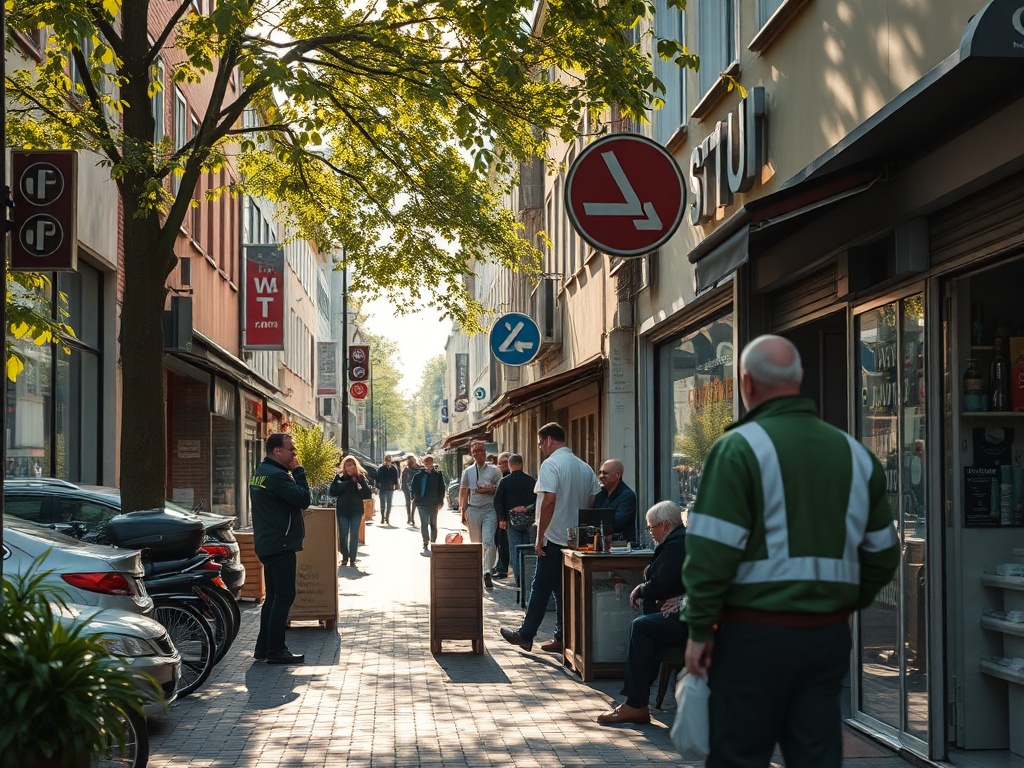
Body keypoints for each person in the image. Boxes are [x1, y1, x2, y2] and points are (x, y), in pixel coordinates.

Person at [683, 334, 899, 768]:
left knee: (739, 756)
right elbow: (883, 553)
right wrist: (842, 601)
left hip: (751, 637)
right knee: (817, 754)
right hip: (827, 636)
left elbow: (711, 553)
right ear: (799, 379)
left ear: (745, 383)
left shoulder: (737, 449)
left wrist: (700, 628)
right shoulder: (856, 455)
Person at [499, 422, 599, 654]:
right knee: (560, 588)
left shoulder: (551, 464)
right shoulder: (584, 467)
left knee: (540, 586)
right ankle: (562, 636)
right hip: (577, 539)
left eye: (540, 443)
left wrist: (540, 535)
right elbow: (593, 499)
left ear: (549, 440)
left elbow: (549, 501)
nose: (540, 448)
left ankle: (526, 634)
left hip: (554, 536)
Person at [597, 501, 688, 725]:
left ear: (665, 525)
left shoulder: (677, 544)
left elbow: (660, 583)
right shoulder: (677, 541)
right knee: (646, 628)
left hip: (696, 619)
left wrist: (642, 589)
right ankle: (636, 701)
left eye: (651, 527)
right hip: (687, 611)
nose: (650, 532)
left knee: (642, 627)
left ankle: (636, 703)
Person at [249, 432, 311, 665]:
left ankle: (263, 647)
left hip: (268, 542)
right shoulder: (277, 476)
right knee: (284, 595)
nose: (294, 454)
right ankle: (276, 649)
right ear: (277, 451)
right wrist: (299, 472)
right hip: (280, 543)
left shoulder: (261, 473)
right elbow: (303, 499)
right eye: (291, 449)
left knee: (274, 596)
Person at [459, 441, 503, 590]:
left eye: (480, 451)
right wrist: (462, 511)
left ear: (485, 452)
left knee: (489, 541)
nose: (478, 453)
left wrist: (489, 490)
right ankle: (478, 571)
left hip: (490, 509)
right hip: (474, 510)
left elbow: (500, 488)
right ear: (472, 454)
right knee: (476, 544)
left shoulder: (494, 470)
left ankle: (487, 572)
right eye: (475, 451)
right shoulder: (468, 472)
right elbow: (464, 490)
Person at [492, 453, 537, 590]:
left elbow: (497, 501)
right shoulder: (532, 481)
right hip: (529, 521)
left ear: (510, 465)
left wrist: (502, 519)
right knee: (529, 552)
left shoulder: (505, 481)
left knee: (515, 551)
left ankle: (519, 582)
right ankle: (530, 580)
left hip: (511, 522)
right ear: (522, 465)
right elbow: (538, 501)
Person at [329, 455, 374, 568]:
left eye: (352, 465)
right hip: (342, 510)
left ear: (355, 465)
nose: (350, 467)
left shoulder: (359, 477)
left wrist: (359, 482)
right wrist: (338, 481)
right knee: (343, 535)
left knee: (354, 534)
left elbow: (367, 494)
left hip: (356, 510)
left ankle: (353, 559)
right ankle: (345, 556)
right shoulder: (340, 478)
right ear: (344, 466)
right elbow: (332, 492)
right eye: (348, 465)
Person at [593, 459, 638, 542]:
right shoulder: (600, 494)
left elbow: (617, 522)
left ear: (617, 476)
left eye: (605, 473)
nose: (601, 476)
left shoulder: (627, 495)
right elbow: (593, 517)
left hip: (622, 549)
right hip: (602, 545)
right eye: (600, 473)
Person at [411, 455, 446, 551]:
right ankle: (425, 541)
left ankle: (433, 542)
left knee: (433, 523)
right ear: (423, 463)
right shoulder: (418, 476)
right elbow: (413, 488)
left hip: (434, 503)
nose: (429, 464)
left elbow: (442, 489)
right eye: (427, 462)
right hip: (421, 503)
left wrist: (441, 501)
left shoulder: (438, 475)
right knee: (424, 522)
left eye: (430, 461)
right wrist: (415, 497)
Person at [491, 451, 512, 579]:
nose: (499, 466)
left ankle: (502, 568)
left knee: (503, 542)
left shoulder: (506, 479)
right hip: (503, 516)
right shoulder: (501, 477)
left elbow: (499, 500)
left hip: (505, 516)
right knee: (500, 541)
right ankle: (500, 566)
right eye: (499, 463)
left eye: (502, 463)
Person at [376, 454, 400, 525]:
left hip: (390, 488)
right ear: (384, 460)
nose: (388, 462)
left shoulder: (393, 468)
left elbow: (396, 478)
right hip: (383, 488)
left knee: (389, 504)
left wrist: (396, 485)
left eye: (389, 460)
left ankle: (387, 518)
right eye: (387, 460)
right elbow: (377, 479)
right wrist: (378, 486)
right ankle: (382, 517)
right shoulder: (381, 469)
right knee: (383, 504)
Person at [401, 455, 420, 527]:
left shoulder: (418, 468)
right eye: (410, 460)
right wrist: (403, 487)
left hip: (414, 488)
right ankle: (409, 515)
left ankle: (412, 516)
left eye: (412, 459)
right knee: (408, 502)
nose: (411, 461)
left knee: (414, 502)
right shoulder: (406, 469)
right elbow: (403, 479)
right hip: (406, 487)